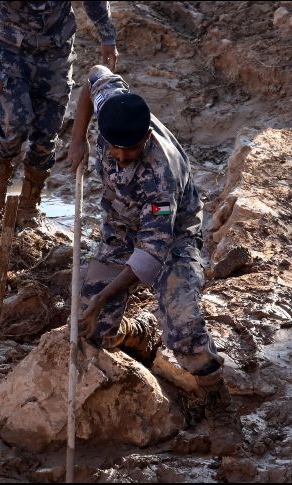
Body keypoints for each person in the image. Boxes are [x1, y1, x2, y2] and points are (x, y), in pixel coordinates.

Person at [68, 64, 243, 456]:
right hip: (120, 231)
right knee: (89, 328)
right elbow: (95, 74)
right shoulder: (114, 106)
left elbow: (149, 256)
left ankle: (219, 406)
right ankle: (139, 332)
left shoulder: (159, 176)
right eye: (113, 147)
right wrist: (78, 138)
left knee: (184, 330)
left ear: (146, 137)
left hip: (172, 241)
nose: (120, 155)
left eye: (129, 149)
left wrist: (102, 298)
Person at [0, 1, 118, 226]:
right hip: (11, 51)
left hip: (55, 52)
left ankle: (29, 203)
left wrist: (107, 36)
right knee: (15, 125)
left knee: (47, 133)